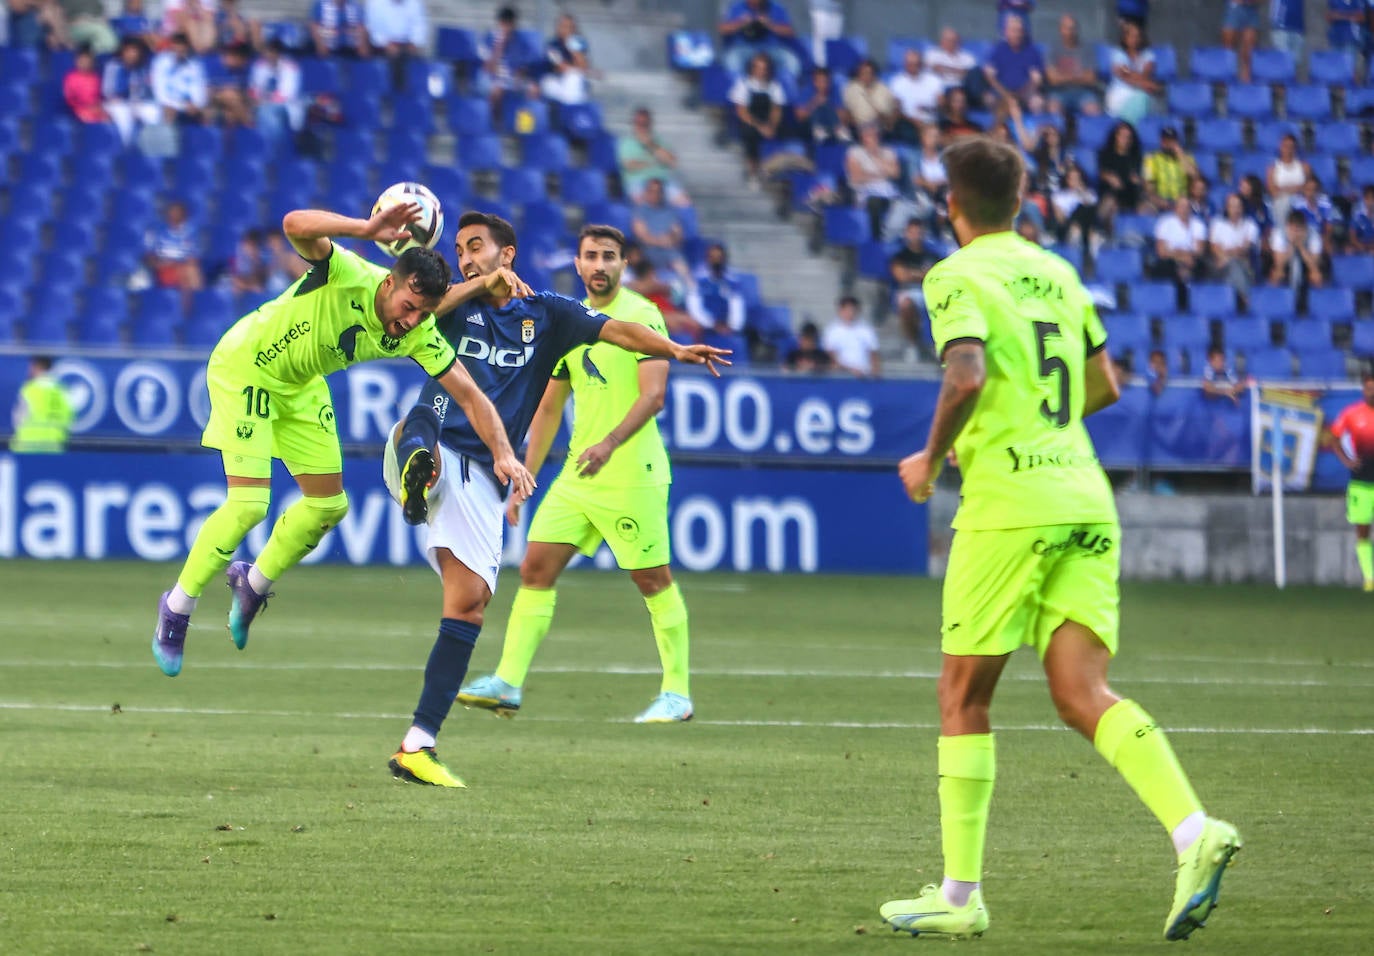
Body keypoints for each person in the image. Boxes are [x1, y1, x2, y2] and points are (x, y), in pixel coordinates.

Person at [879, 135, 1240, 943]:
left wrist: (933, 461)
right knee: (1082, 695)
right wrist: (1044, 436)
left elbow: (965, 373)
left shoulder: (955, 274)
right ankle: (1194, 831)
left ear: (952, 207)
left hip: (1009, 506)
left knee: (962, 697)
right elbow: (1106, 383)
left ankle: (960, 896)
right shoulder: (1058, 272)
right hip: (1083, 495)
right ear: (1021, 202)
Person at [382, 215, 731, 787]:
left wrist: (674, 348)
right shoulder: (447, 306)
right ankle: (417, 463)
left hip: (492, 477)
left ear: (508, 253)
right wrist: (476, 284)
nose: (465, 258)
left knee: (468, 607)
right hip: (448, 451)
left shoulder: (548, 315)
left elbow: (619, 332)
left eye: (477, 249)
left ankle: (418, 744)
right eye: (460, 250)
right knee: (426, 418)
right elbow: (407, 318)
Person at [149, 202, 538, 679]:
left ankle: (251, 584)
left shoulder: (419, 332)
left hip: (302, 384)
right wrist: (364, 228)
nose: (412, 322)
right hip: (246, 367)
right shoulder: (349, 271)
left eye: (424, 315)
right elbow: (292, 223)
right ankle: (177, 606)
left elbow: (474, 398)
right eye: (409, 308)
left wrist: (503, 453)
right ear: (390, 282)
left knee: (328, 506)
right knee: (249, 504)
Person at [455, 223, 696, 727]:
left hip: (632, 472)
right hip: (578, 475)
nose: (600, 265)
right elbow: (548, 408)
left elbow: (654, 395)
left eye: (610, 256)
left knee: (652, 579)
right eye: (591, 256)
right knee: (535, 568)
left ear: (623, 265)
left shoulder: (642, 314)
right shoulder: (566, 320)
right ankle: (508, 683)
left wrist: (609, 443)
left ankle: (677, 693)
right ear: (578, 263)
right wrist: (524, 477)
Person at [1326, 371, 1374, 591]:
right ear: (1363, 390)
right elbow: (1333, 437)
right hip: (1361, 483)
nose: (1371, 391)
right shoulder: (1352, 414)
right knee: (1363, 530)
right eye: (1368, 388)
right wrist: (1346, 460)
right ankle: (1369, 578)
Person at [728, 52, 786, 185]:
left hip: (767, 122)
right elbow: (742, 112)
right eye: (758, 68)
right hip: (751, 122)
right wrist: (760, 127)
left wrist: (771, 126)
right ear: (752, 69)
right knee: (749, 134)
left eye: (764, 69)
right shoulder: (743, 84)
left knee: (784, 132)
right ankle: (752, 170)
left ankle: (774, 171)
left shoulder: (774, 86)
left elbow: (776, 110)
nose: (761, 72)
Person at [890, 217, 940, 361]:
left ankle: (937, 345)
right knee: (906, 304)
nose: (915, 235)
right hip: (907, 291)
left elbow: (935, 275)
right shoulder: (900, 256)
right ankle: (912, 344)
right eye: (912, 232)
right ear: (906, 233)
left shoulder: (931, 255)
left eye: (918, 232)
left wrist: (912, 273)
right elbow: (901, 276)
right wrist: (923, 273)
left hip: (929, 291)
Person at [618, 107, 689, 206]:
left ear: (650, 124)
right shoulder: (626, 143)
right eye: (638, 123)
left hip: (662, 182)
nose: (641, 127)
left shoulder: (659, 142)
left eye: (645, 124)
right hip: (639, 181)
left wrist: (651, 145)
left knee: (684, 202)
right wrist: (653, 162)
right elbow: (628, 165)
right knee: (642, 201)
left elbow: (672, 162)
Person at [718, 0, 801, 78]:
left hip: (771, 48)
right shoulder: (736, 7)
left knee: (792, 63)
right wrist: (741, 22)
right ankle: (740, 89)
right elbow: (723, 29)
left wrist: (770, 24)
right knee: (732, 61)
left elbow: (790, 32)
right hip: (744, 47)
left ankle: (785, 90)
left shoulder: (775, 7)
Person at [10, 356, 74, 453]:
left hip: (27, 446)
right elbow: (70, 418)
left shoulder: (30, 389)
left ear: (37, 368)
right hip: (55, 447)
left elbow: (18, 420)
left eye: (32, 367)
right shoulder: (63, 390)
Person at [1104, 20, 1160, 124]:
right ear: (1125, 38)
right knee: (1143, 96)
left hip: (1142, 90)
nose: (1135, 39)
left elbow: (1145, 74)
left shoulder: (1148, 54)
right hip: (1120, 92)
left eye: (1138, 36)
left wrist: (1131, 75)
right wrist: (1148, 84)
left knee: (1145, 98)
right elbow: (1123, 75)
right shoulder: (1118, 53)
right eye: (1132, 36)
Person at [1045, 14, 1102, 117]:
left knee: (1094, 110)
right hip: (1059, 92)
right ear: (1060, 30)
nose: (1069, 32)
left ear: (1077, 30)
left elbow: (1091, 78)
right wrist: (1078, 75)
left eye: (1072, 28)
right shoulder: (1053, 48)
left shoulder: (1086, 48)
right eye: (1066, 28)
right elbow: (1052, 79)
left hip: (1083, 92)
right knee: (1053, 108)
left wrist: (1063, 76)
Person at [1209, 192, 1260, 305]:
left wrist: (1228, 254)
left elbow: (1245, 249)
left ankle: (1238, 300)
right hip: (1221, 267)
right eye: (1232, 206)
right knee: (1232, 265)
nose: (1235, 210)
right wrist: (1232, 253)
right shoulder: (1218, 224)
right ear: (1227, 208)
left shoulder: (1250, 225)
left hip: (1245, 266)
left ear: (1242, 208)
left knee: (1232, 271)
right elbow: (1215, 249)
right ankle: (1247, 299)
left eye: (1238, 206)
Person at [822, 295, 879, 377]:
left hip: (864, 376)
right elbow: (831, 357)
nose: (850, 313)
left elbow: (873, 354)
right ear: (840, 310)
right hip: (841, 377)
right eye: (847, 310)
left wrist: (875, 373)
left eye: (852, 310)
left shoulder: (866, 329)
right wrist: (849, 370)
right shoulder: (832, 331)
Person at [1144, 126, 1196, 211]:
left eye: (1171, 141)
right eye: (1165, 141)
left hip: (1182, 201)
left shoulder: (1186, 157)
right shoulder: (1151, 159)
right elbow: (1149, 187)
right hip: (1161, 200)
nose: (1168, 144)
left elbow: (1194, 175)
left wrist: (1180, 155)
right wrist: (1159, 201)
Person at [1266, 133, 1311, 225]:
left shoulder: (1304, 167)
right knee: (1283, 203)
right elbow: (1273, 192)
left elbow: (1309, 187)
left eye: (1291, 147)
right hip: (1281, 202)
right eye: (1286, 146)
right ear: (1281, 147)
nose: (1288, 150)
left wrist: (1284, 189)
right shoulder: (1273, 169)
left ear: (1295, 149)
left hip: (1301, 200)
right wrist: (1296, 188)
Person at [62, 45, 106, 123]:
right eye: (82, 60)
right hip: (78, 110)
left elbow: (100, 96)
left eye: (87, 60)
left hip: (96, 109)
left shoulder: (96, 77)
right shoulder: (71, 78)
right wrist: (83, 107)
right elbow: (69, 98)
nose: (85, 63)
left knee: (108, 121)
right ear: (77, 61)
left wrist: (97, 106)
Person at [1221, 0, 1262, 82]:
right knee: (1228, 49)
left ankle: (1246, 83)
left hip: (1251, 11)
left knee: (1249, 52)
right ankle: (1226, 79)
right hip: (1233, 10)